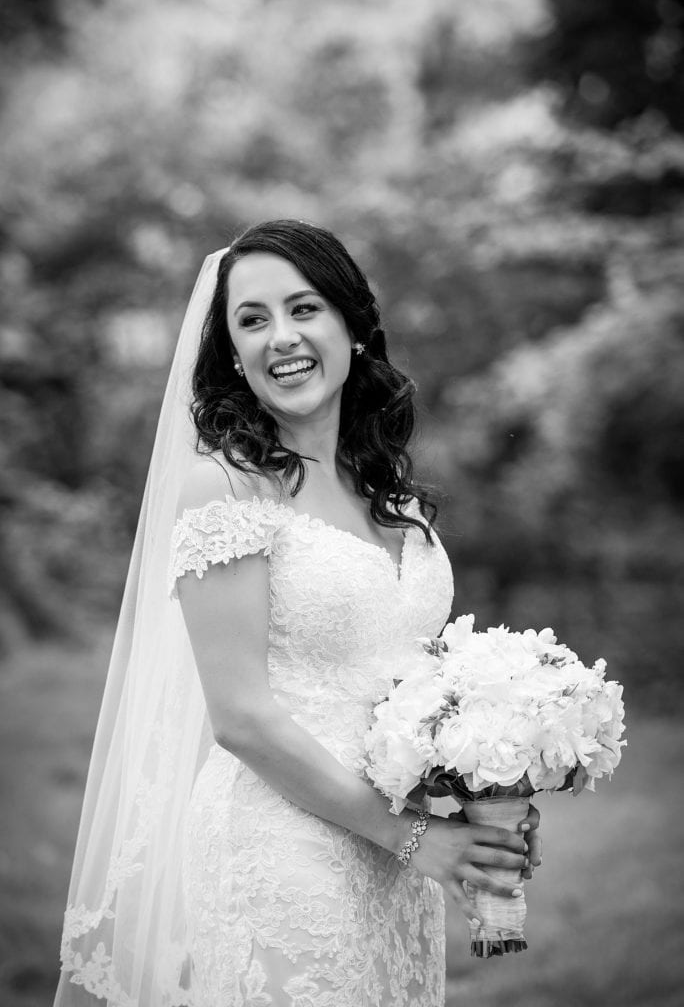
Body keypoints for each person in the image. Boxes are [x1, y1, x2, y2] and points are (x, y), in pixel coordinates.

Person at [55, 220, 541, 1007]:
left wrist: (487, 783)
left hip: (397, 858)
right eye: (252, 320)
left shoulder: (391, 494)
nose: (281, 337)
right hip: (282, 850)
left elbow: (409, 687)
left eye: (304, 308)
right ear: (234, 355)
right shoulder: (227, 489)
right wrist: (418, 840)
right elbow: (242, 716)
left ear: (353, 328)